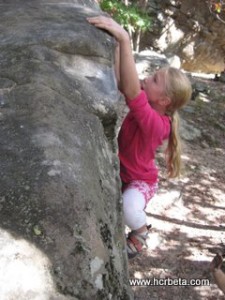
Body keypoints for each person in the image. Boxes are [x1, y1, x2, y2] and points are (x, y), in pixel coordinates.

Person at [87, 16, 192, 259]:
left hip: (139, 181)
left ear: (164, 101)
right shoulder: (148, 107)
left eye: (155, 79)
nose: (148, 77)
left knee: (129, 208)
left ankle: (141, 232)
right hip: (124, 171)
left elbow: (132, 90)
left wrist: (124, 39)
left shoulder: (157, 124)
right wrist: (114, 47)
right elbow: (125, 84)